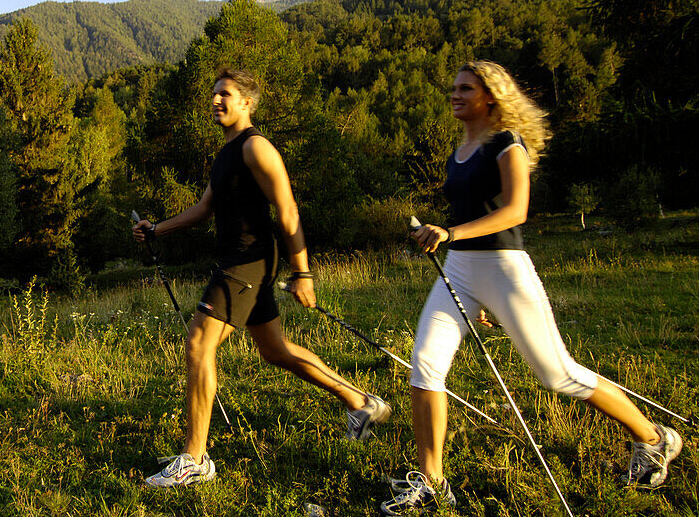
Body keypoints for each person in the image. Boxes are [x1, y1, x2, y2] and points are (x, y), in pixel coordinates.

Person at [384, 60, 683, 514]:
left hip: (504, 269)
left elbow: (516, 211)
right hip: (461, 270)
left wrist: (450, 232)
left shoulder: (508, 143)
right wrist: (451, 246)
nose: (456, 94)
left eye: (466, 88)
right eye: (454, 88)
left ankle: (653, 438)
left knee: (557, 374)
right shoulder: (459, 149)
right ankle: (431, 482)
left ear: (491, 96)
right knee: (425, 365)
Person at [133, 68, 391, 488]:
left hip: (249, 260)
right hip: (241, 259)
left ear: (247, 102)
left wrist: (302, 271)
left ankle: (194, 458)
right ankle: (360, 402)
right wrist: (155, 228)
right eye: (214, 94)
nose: (217, 101)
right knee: (274, 350)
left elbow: (288, 210)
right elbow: (202, 210)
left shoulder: (257, 148)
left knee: (199, 343)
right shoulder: (225, 154)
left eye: (226, 95)